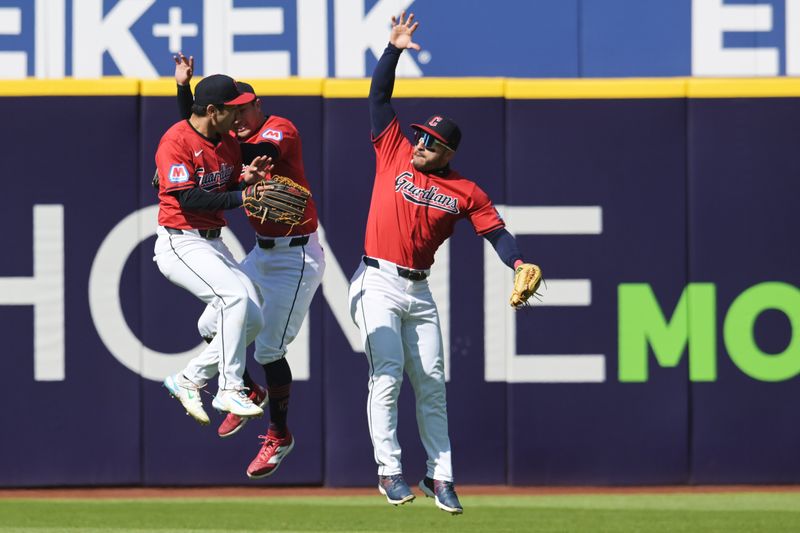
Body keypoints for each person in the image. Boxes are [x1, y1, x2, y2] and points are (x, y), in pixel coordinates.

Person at [347, 13, 542, 515]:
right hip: (375, 280)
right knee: (387, 372)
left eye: (430, 142)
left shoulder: (465, 191)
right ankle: (389, 470)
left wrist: (518, 261)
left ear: (447, 152)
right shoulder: (393, 152)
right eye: (419, 137)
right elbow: (378, 100)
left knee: (431, 384)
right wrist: (392, 51)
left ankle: (440, 476)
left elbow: (496, 233)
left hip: (418, 290)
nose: (420, 144)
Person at [172, 54, 326, 479]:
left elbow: (260, 149)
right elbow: (193, 134)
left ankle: (279, 434)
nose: (238, 117)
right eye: (231, 111)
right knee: (214, 324)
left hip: (296, 256)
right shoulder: (226, 140)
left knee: (269, 349)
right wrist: (184, 92)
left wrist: (226, 149)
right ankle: (246, 388)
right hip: (261, 251)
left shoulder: (279, 127)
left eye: (244, 108)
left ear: (258, 105)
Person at [155, 74, 273, 426]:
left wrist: (245, 182)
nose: (239, 117)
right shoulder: (174, 141)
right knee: (235, 298)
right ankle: (230, 387)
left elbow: (225, 181)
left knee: (254, 314)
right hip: (181, 240)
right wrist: (243, 196)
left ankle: (189, 378)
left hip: (212, 241)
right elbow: (188, 196)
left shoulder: (227, 141)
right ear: (212, 110)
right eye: (232, 110)